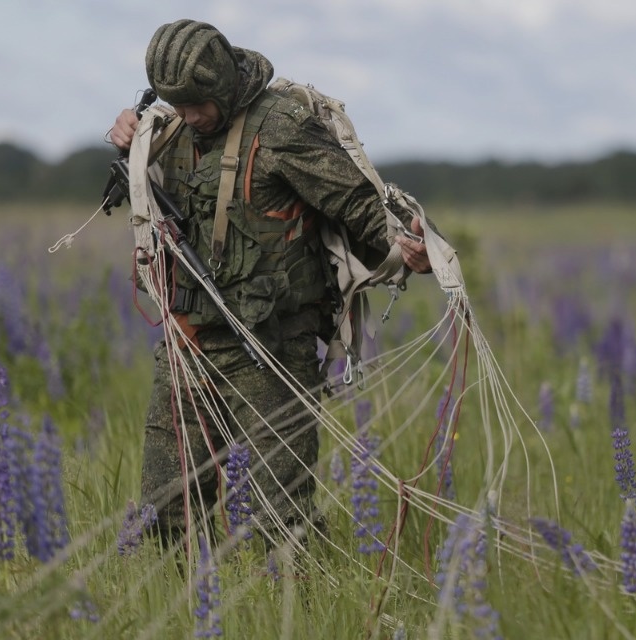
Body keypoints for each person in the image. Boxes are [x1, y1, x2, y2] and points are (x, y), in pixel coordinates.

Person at [108, 19, 434, 546]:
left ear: (220, 86)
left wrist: (407, 245)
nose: (188, 116)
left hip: (271, 346)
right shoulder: (170, 126)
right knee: (164, 512)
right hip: (187, 342)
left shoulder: (281, 127)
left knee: (279, 519)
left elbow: (355, 202)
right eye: (177, 103)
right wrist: (130, 134)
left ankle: (304, 615)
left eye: (196, 104)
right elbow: (148, 163)